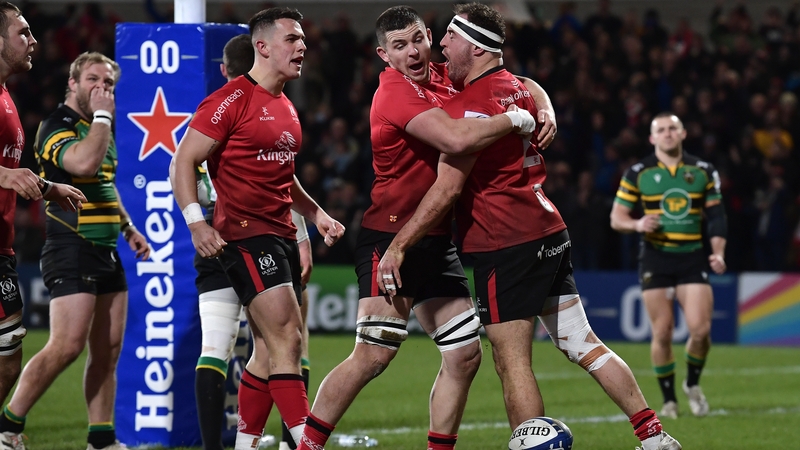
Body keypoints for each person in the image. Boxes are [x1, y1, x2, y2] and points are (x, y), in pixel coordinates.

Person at [375, 4, 681, 450]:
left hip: (506, 242)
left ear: (476, 47)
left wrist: (399, 245)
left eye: (451, 39)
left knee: (512, 361)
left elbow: (446, 190)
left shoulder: (470, 107)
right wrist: (546, 105)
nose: (441, 45)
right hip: (549, 230)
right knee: (582, 341)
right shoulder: (515, 88)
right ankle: (654, 435)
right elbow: (530, 85)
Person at [297, 6, 549, 450]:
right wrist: (515, 120)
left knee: (465, 354)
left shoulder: (443, 76)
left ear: (429, 37)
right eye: (399, 46)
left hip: (434, 237)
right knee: (374, 354)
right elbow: (455, 140)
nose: (411, 52)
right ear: (383, 54)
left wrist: (543, 105)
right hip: (390, 236)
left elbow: (517, 84)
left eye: (416, 40)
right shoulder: (393, 92)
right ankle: (308, 445)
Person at [171, 8, 344, 450]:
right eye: (292, 39)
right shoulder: (231, 99)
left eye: (303, 39)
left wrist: (317, 215)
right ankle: (307, 443)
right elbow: (183, 161)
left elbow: (284, 175)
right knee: (288, 336)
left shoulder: (285, 104)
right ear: (262, 46)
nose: (302, 46)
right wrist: (196, 224)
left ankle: (246, 445)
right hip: (246, 235)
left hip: (281, 233)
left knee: (269, 351)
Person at [0, 50, 150, 450]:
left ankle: (101, 440)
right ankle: (7, 426)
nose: (102, 89)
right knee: (66, 346)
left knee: (108, 351)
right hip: (71, 245)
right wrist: (103, 116)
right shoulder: (56, 126)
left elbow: (103, 181)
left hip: (107, 248)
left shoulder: (98, 128)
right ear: (73, 83)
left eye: (109, 84)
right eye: (93, 80)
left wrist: (128, 227)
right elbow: (83, 164)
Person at [0, 3, 87, 448]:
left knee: (9, 358)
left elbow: (12, 170)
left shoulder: (6, 96)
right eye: (23, 32)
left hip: (3, 248)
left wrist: (48, 187)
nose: (33, 40)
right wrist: (3, 175)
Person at [611, 112, 726, 419]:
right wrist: (637, 225)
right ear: (652, 138)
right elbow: (616, 218)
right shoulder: (638, 172)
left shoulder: (702, 170)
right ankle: (670, 400)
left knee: (700, 332)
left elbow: (717, 218)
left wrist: (718, 252)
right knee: (662, 332)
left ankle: (692, 383)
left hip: (692, 256)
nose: (667, 134)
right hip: (656, 257)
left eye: (672, 128)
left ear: (683, 133)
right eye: (661, 130)